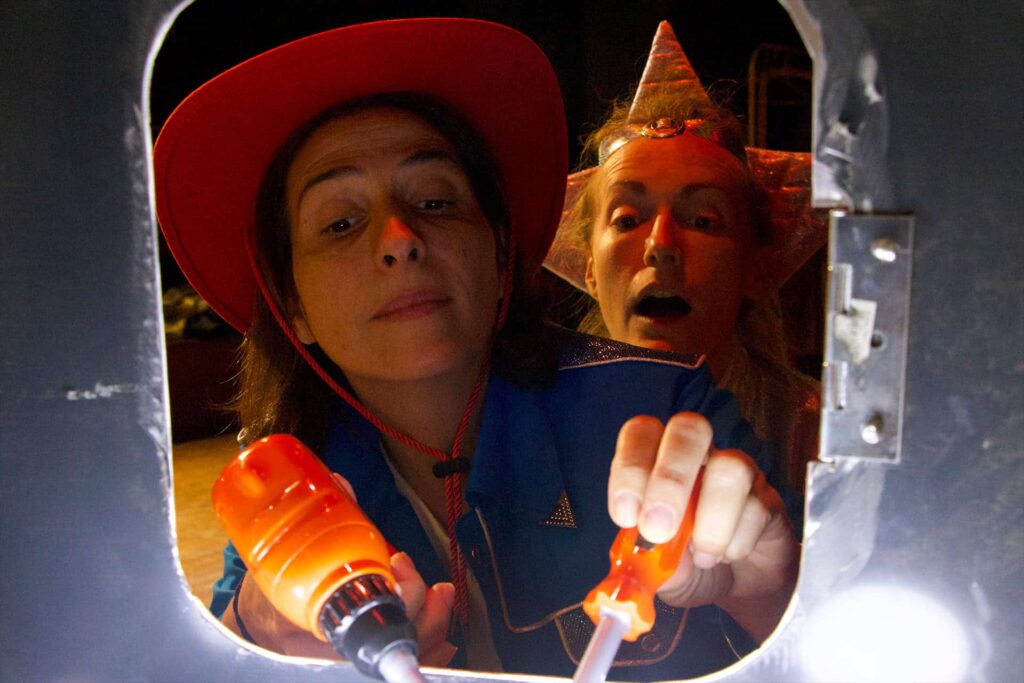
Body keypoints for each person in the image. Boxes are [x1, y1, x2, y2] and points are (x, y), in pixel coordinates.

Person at [154, 18, 799, 679]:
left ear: (500, 256)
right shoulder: (288, 483)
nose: (398, 239)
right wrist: (253, 633)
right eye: (340, 222)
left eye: (436, 201)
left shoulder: (670, 412)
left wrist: (770, 593)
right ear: (292, 306)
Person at [546, 22, 825, 491]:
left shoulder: (823, 442)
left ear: (755, 266)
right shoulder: (536, 438)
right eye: (627, 220)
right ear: (589, 268)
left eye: (702, 220)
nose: (660, 244)